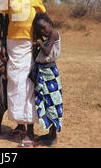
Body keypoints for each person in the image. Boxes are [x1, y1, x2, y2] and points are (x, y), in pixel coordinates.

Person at [1, 0, 46, 148]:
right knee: (14, 84)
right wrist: (3, 45)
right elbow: (4, 23)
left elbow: (44, 21)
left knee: (27, 86)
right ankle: (20, 123)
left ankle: (30, 132)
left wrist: (40, 41)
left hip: (29, 46)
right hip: (12, 44)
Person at [29, 12, 63, 146]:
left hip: (50, 73)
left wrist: (39, 42)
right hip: (43, 72)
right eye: (39, 30)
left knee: (53, 103)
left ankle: (54, 137)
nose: (42, 31)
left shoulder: (54, 34)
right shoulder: (46, 38)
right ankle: (50, 133)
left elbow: (47, 51)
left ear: (50, 23)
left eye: (43, 27)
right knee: (46, 102)